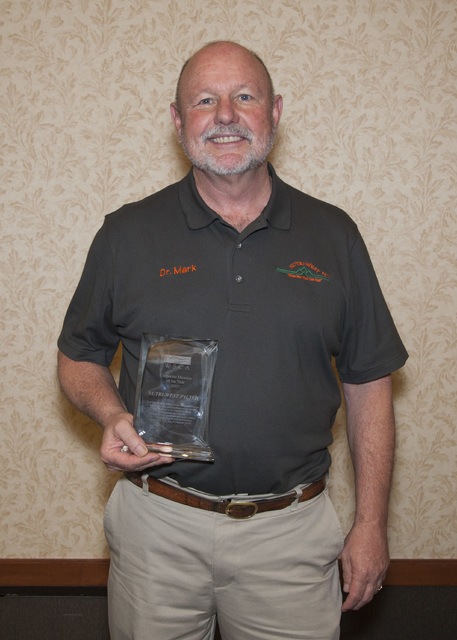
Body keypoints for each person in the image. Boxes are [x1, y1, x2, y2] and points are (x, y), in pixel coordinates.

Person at [57, 40, 408, 640]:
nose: (224, 115)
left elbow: (369, 383)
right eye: (204, 101)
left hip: (291, 535)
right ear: (177, 121)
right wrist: (111, 413)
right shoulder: (126, 234)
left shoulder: (334, 235)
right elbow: (77, 357)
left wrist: (372, 524)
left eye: (244, 97)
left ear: (275, 112)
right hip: (157, 527)